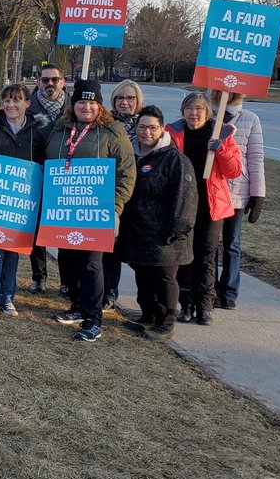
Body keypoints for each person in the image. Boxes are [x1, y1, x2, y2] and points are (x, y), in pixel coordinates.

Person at [47, 79, 136, 343]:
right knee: (68, 259)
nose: (86, 107)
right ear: (73, 105)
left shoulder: (112, 132)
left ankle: (93, 319)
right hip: (64, 208)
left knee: (91, 263)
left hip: (96, 210)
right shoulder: (60, 129)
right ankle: (77, 305)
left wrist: (115, 207)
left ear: (100, 106)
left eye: (92, 103)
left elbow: (126, 174)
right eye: (81, 102)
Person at [118, 106, 197, 341]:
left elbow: (186, 198)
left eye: (152, 128)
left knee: (164, 276)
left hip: (165, 235)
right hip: (137, 232)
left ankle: (167, 319)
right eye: (142, 127)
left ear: (161, 129)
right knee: (143, 274)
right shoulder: (130, 156)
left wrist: (176, 229)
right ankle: (148, 315)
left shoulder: (175, 159)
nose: (147, 132)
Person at [0, 84, 50, 317]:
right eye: (6, 100)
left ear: (27, 103)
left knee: (13, 250)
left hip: (21, 201)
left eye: (16, 100)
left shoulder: (38, 131)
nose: (11, 105)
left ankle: (7, 298)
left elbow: (43, 164)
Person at [166, 92, 241, 325]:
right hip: (184, 204)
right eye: (189, 108)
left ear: (207, 112)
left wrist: (221, 150)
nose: (194, 113)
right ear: (182, 111)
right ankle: (186, 304)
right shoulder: (173, 133)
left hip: (211, 205)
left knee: (206, 256)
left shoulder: (221, 133)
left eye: (199, 108)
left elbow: (234, 170)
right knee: (185, 254)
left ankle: (205, 305)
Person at [212, 91, 265, 309]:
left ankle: (230, 291)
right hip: (213, 191)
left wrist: (258, 193)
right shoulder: (207, 116)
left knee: (232, 244)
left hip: (237, 193)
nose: (227, 94)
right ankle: (210, 289)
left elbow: (255, 157)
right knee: (210, 245)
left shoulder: (250, 119)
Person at [101, 79, 145, 310]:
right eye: (120, 98)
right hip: (113, 193)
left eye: (130, 98)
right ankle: (109, 292)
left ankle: (146, 300)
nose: (125, 102)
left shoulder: (147, 125)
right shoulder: (104, 123)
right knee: (111, 249)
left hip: (140, 197)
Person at [26, 63, 68, 294]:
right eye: (45, 80)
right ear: (38, 82)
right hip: (36, 173)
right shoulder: (28, 107)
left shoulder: (75, 108)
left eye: (54, 80)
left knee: (62, 229)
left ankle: (66, 280)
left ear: (62, 81)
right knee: (36, 231)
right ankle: (39, 277)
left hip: (65, 177)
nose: (50, 84)